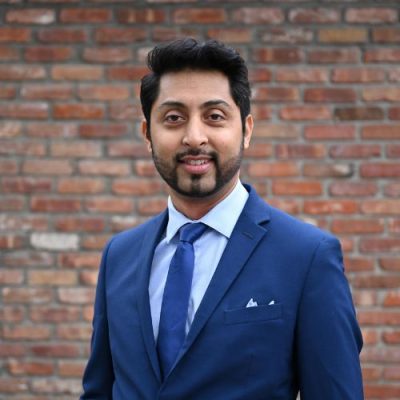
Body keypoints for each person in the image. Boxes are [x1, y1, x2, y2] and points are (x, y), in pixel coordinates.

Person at [81, 38, 364, 400]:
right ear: (147, 134)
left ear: (245, 130)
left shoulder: (307, 257)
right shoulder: (119, 254)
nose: (194, 137)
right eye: (173, 118)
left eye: (214, 117)